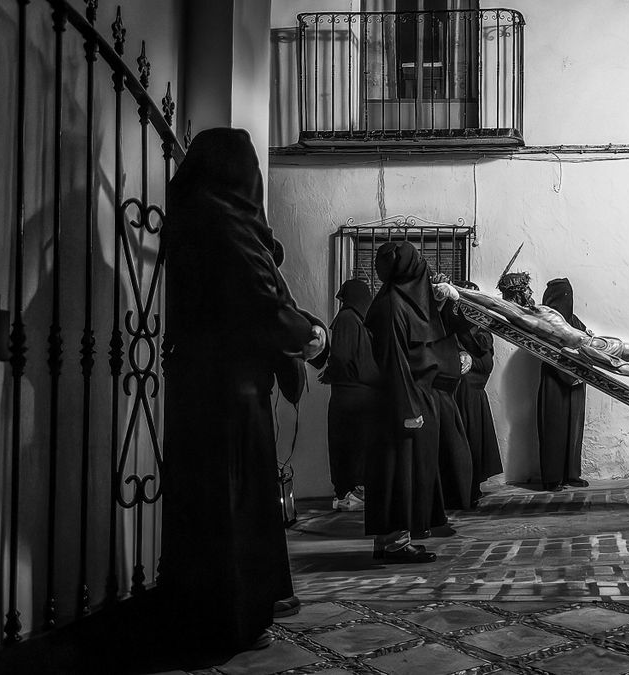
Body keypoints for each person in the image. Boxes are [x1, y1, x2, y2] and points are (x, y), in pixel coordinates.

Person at [160, 128, 326, 654]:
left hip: (196, 386)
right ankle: (231, 617)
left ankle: (208, 613)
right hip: (231, 394)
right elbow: (260, 301)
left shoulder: (190, 215)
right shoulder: (225, 221)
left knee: (205, 505)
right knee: (236, 505)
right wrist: (310, 335)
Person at [435, 272, 629, 412]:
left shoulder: (537, 309)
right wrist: (455, 290)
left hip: (592, 341)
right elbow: (492, 303)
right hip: (587, 348)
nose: (531, 291)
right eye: (526, 288)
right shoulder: (524, 316)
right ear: (517, 293)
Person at [364, 241, 470, 563]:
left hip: (414, 397)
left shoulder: (401, 302)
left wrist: (445, 302)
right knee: (400, 474)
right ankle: (395, 544)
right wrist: (408, 410)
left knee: (405, 473)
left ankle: (393, 541)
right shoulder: (393, 306)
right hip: (404, 401)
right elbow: (394, 362)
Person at [321, 278, 381, 512]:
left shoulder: (346, 318)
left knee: (345, 445)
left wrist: (331, 372)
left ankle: (347, 493)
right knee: (360, 446)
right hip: (366, 394)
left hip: (347, 395)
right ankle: (358, 491)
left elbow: (342, 356)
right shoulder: (365, 321)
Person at [452, 280, 504, 505]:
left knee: (473, 442)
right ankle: (463, 491)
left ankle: (470, 488)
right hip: (463, 392)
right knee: (465, 441)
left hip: (475, 391)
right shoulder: (457, 326)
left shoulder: (479, 327)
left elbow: (484, 347)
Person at [537, 278, 589, 491]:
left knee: (574, 430)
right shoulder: (546, 322)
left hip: (576, 381)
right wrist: (570, 374)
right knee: (554, 428)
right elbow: (549, 350)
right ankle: (552, 478)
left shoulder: (573, 321)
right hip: (555, 381)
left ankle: (571, 475)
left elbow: (584, 341)